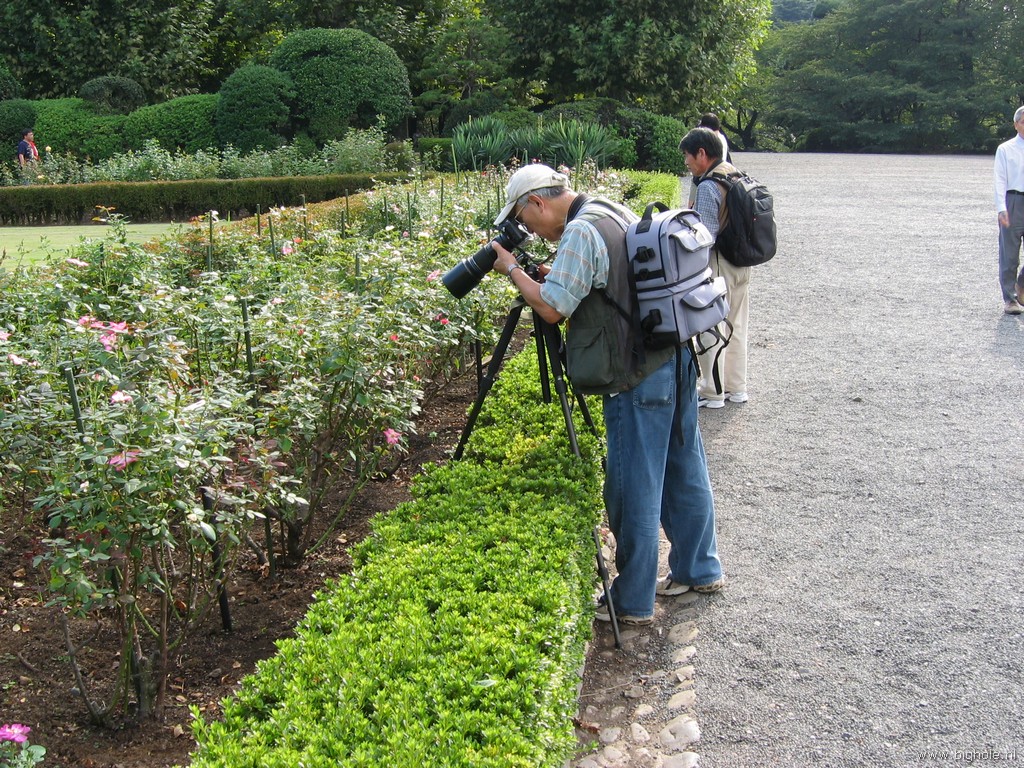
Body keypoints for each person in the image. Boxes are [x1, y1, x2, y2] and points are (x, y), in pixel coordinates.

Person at [489, 163, 724, 625]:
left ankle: (632, 601)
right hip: (674, 354)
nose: (527, 229)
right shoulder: (607, 209)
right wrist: (553, 271)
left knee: (632, 487)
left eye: (522, 217)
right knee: (684, 467)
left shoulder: (580, 231)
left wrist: (511, 267)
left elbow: (553, 308)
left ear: (536, 201)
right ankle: (700, 570)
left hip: (636, 375)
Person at [680, 127, 751, 408]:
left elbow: (706, 235)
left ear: (701, 153)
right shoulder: (735, 174)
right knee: (738, 325)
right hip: (742, 263)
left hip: (718, 262)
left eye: (687, 156)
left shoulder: (709, 185)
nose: (686, 162)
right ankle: (737, 388)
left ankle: (712, 392)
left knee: (711, 326)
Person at [994, 105, 1024, 315]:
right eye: (1023, 122)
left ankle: (1021, 283)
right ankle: (1010, 299)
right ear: (1016, 125)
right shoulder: (1005, 149)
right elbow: (999, 179)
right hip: (1013, 200)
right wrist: (1001, 208)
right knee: (1009, 254)